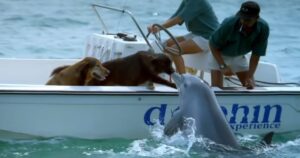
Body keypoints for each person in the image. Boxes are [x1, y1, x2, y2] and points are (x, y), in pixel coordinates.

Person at [209, 1, 269, 89]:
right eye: (242, 18)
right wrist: (222, 65)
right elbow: (212, 45)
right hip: (220, 55)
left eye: (248, 20)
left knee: (251, 87)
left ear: (257, 18)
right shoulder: (229, 24)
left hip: (239, 56)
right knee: (217, 90)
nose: (244, 22)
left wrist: (249, 76)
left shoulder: (263, 28)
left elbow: (256, 55)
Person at [148, 0, 219, 74]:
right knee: (168, 43)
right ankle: (167, 73)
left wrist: (159, 28)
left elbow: (179, 19)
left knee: (174, 50)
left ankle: (183, 81)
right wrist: (157, 26)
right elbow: (175, 16)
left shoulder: (197, 1)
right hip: (197, 33)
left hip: (209, 37)